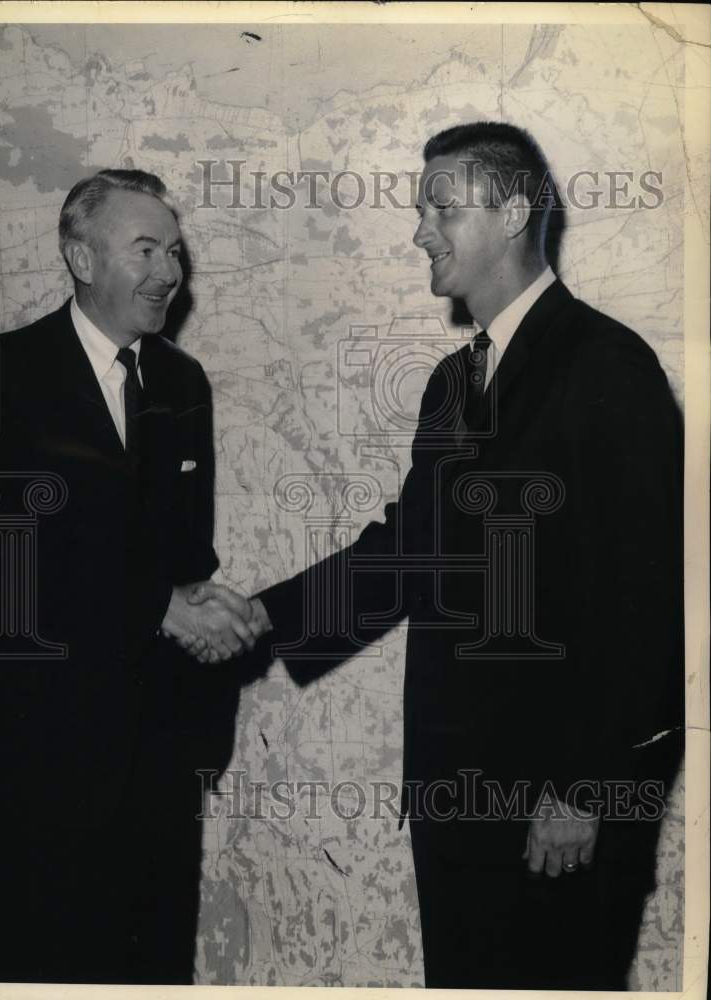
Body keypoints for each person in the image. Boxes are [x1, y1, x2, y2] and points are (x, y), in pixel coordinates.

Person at [187, 122, 684, 988]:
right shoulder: (453, 383)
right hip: (454, 798)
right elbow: (412, 556)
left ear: (514, 213)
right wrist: (264, 619)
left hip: (555, 805)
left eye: (439, 209)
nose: (418, 231)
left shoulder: (610, 364)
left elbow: (644, 601)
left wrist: (584, 788)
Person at [0, 169, 260, 984]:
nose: (167, 272)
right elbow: (10, 559)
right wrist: (161, 606)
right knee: (45, 966)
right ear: (81, 259)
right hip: (44, 749)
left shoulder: (183, 385)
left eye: (175, 251)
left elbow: (182, 553)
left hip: (159, 750)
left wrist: (209, 603)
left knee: (151, 968)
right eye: (145, 248)